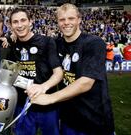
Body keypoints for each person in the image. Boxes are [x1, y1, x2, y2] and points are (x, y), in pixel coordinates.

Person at [31, 3, 115, 135]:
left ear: (79, 20)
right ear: (57, 22)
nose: (66, 23)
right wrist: (5, 38)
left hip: (95, 120)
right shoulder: (56, 44)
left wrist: (51, 98)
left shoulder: (94, 43)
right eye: (62, 19)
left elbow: (86, 82)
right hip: (68, 121)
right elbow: (30, 41)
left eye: (71, 18)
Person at [8, 8, 63, 135]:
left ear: (30, 22)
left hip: (48, 106)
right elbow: (11, 75)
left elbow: (58, 73)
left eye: (23, 20)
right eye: (15, 22)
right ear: (11, 25)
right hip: (23, 107)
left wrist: (43, 87)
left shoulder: (47, 42)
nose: (20, 25)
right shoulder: (12, 47)